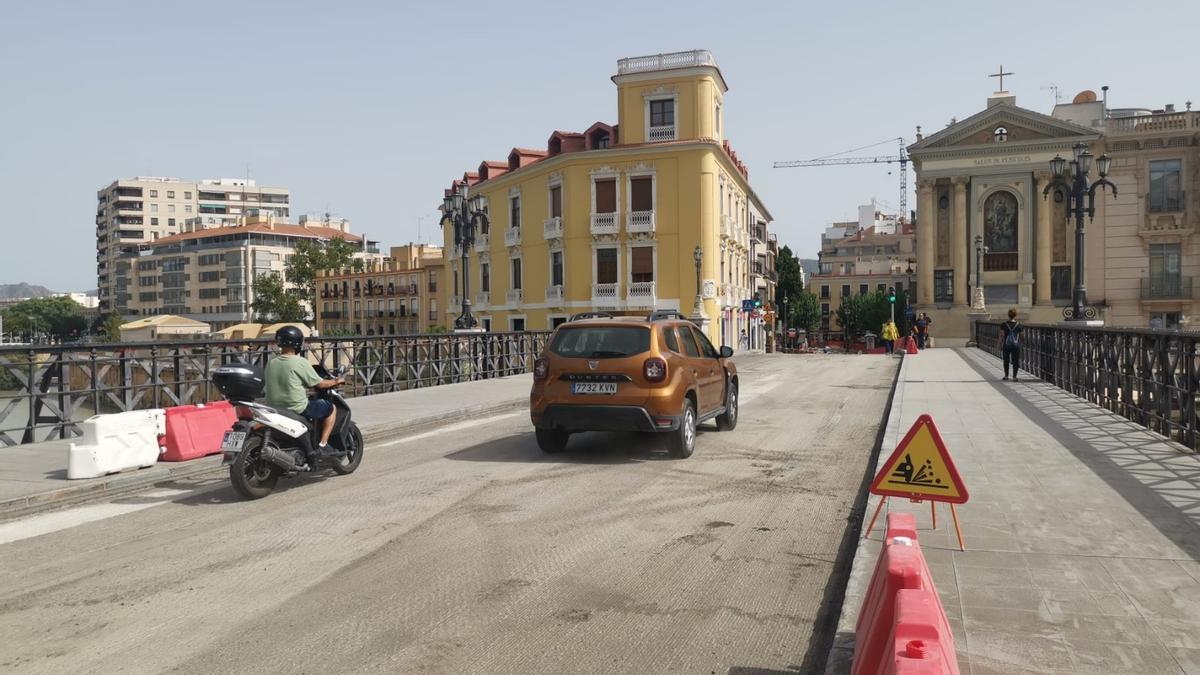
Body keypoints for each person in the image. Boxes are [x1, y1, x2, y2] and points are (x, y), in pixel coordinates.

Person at [265, 326, 344, 454]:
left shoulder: (271, 363)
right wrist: (336, 381)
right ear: (297, 343)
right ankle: (323, 444)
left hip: (274, 408)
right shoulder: (300, 362)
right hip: (297, 408)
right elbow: (320, 384)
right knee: (331, 408)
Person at [996, 308, 1022, 381]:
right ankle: (1014, 377)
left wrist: (999, 344)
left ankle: (1006, 376)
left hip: (1006, 345)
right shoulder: (1019, 325)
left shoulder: (1004, 324)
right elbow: (1021, 336)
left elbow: (1001, 335)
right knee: (1015, 360)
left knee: (1006, 360)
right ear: (1015, 315)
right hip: (1015, 345)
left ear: (1008, 315)